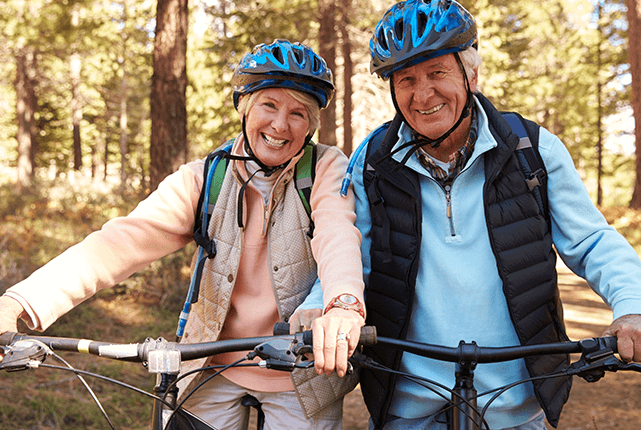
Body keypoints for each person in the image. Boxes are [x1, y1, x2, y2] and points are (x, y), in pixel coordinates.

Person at [0, 39, 366, 429]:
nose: (280, 124)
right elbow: (119, 242)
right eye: (269, 105)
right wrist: (19, 303)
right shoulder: (205, 177)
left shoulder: (325, 168)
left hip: (301, 370)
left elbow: (337, 234)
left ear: (311, 124)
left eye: (298, 113)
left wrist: (344, 305)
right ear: (244, 108)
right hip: (212, 363)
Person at [339, 1, 641, 429]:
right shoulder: (372, 160)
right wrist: (324, 309)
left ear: (470, 74)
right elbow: (347, 254)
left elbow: (592, 242)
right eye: (407, 80)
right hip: (406, 403)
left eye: (437, 73)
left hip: (515, 402)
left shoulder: (531, 149)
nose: (422, 95)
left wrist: (636, 306)